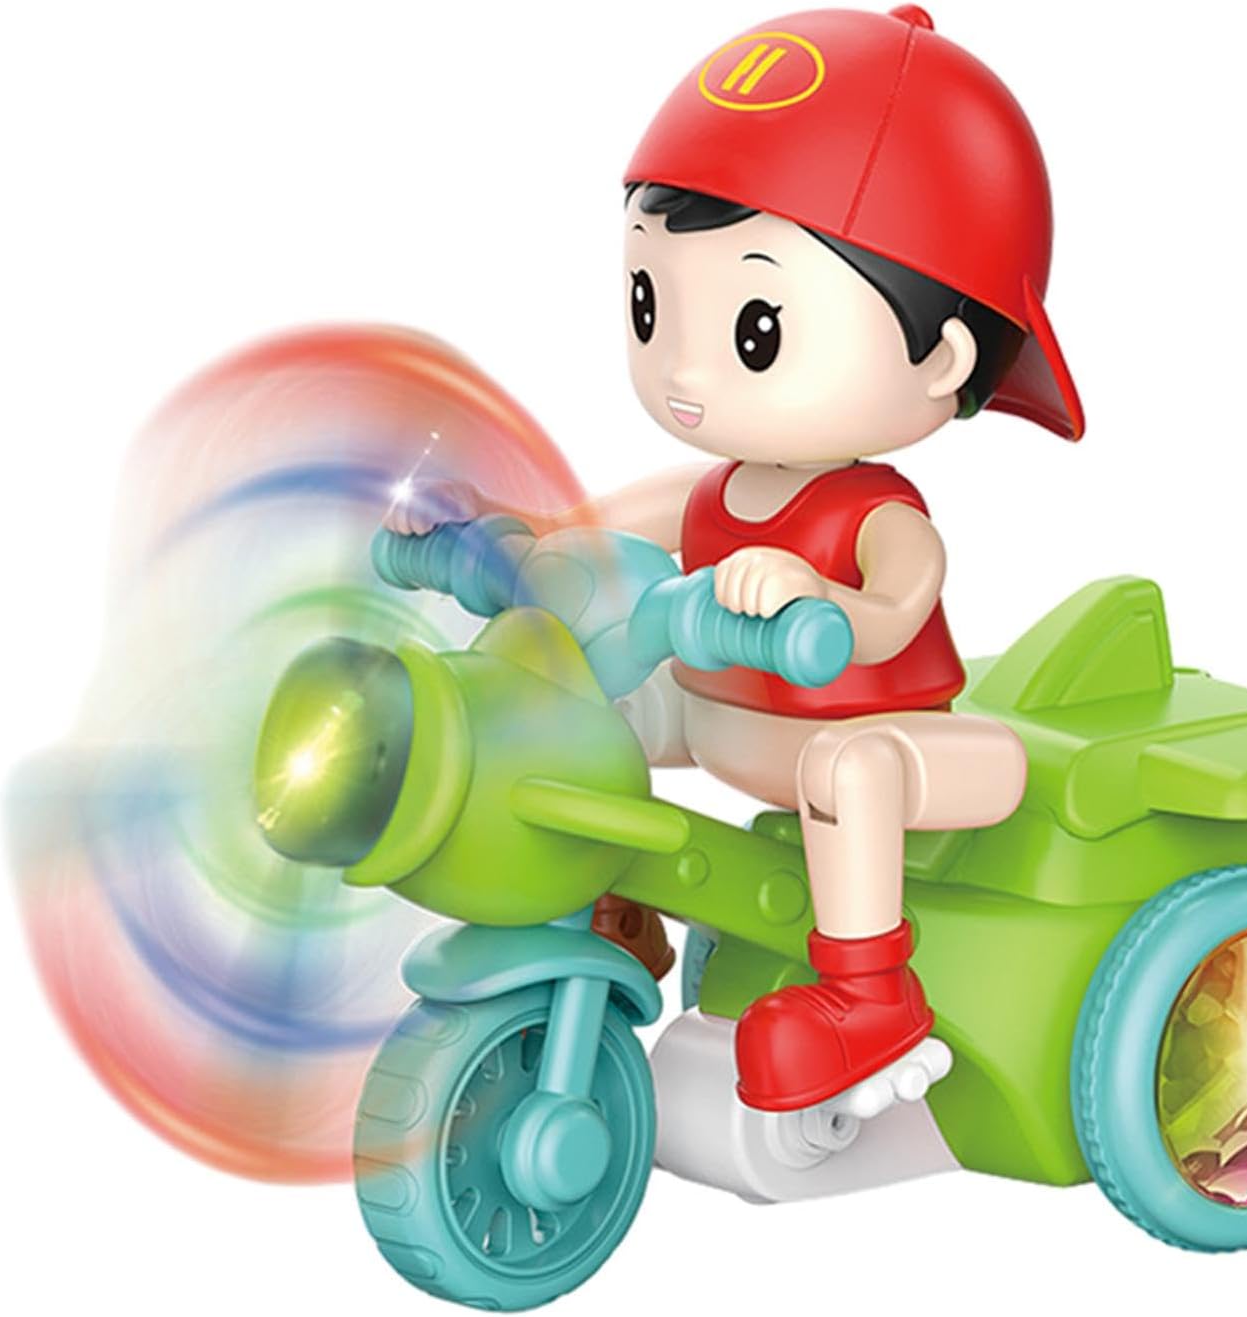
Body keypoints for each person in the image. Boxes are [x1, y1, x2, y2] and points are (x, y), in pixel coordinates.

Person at [389, 5, 1084, 1114]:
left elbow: (896, 606)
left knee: (849, 771)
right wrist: (491, 531)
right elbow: (580, 534)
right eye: (650, 304)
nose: (686, 371)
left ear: (943, 355)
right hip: (728, 722)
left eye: (756, 328)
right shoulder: (710, 491)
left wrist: (818, 598)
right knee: (586, 700)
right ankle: (601, 892)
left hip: (901, 746)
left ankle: (871, 995)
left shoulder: (875, 510)